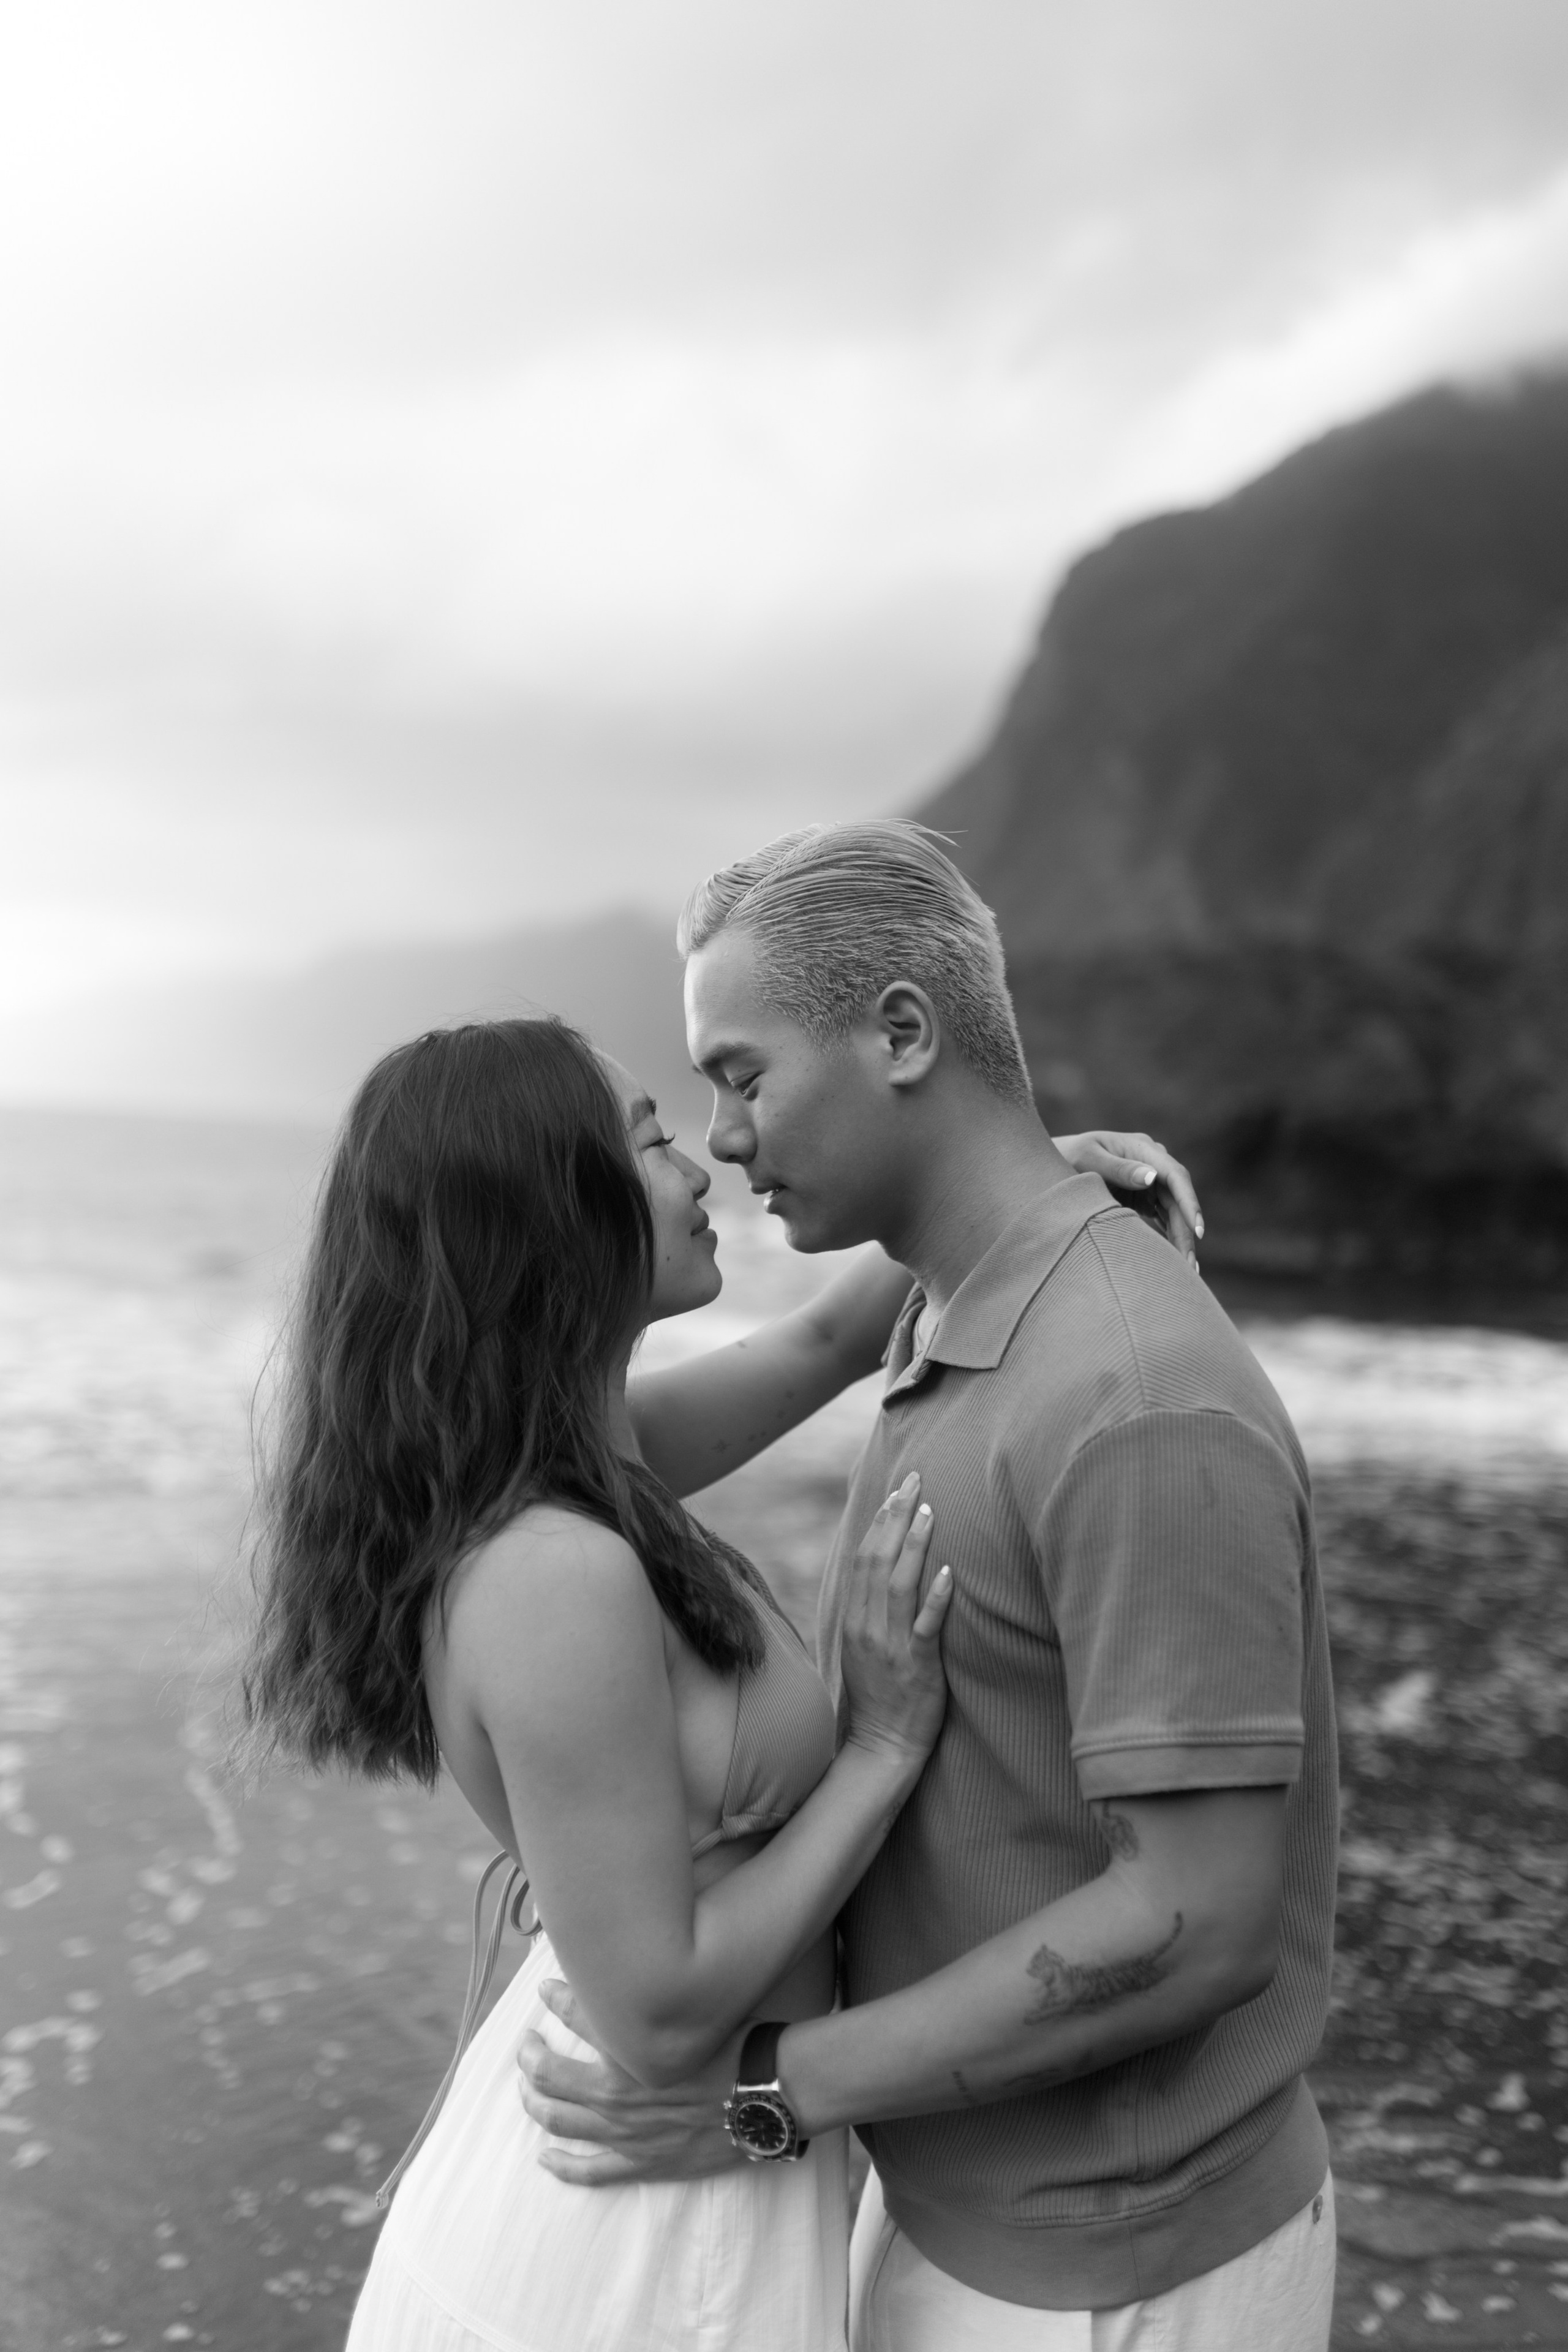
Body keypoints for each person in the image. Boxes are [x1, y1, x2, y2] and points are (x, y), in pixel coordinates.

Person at [238, 1010, 1197, 2352]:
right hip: (624, 2244)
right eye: (646, 1144)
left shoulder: (584, 1469)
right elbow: (660, 2012)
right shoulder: (547, 1570)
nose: (701, 1168)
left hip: (702, 2176)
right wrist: (877, 1749)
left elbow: (817, 1347)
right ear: (545, 1218)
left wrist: (1025, 1183)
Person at [518, 822, 1340, 2352]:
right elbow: (596, 1426)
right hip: (955, 2204)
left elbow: (1201, 1917)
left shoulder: (1134, 1392)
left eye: (742, 1075)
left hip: (1113, 2269)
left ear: (901, 1032)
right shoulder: (952, 1317)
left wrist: (766, 2093)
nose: (726, 1141)